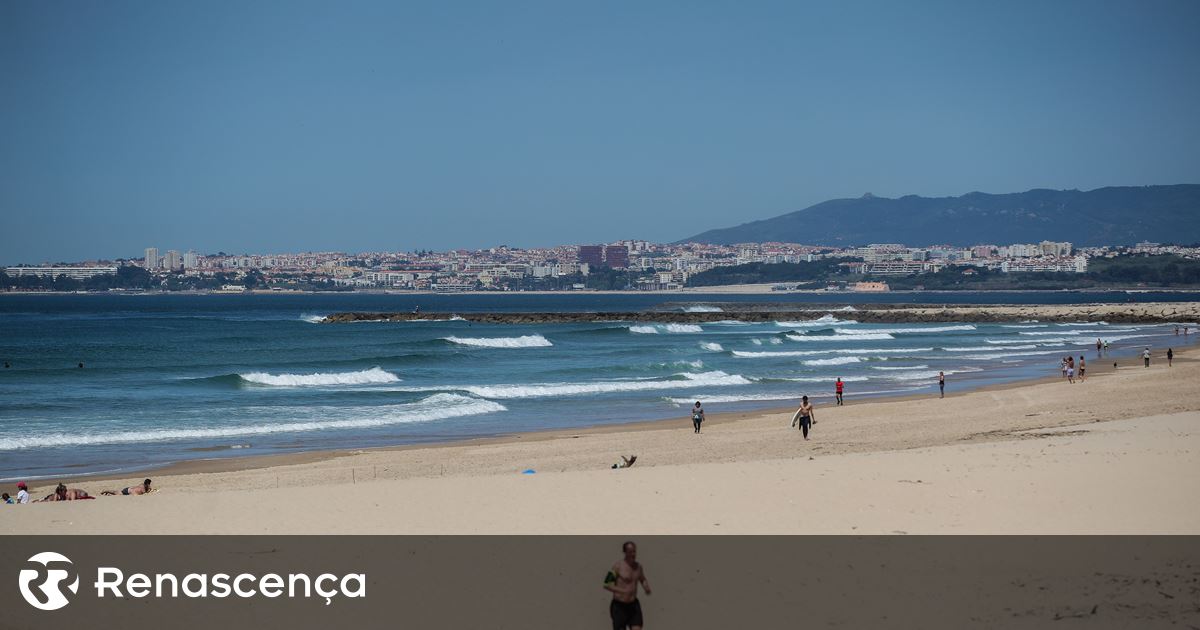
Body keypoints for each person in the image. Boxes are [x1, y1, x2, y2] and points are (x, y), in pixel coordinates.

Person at [604, 541, 651, 630]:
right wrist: (622, 591)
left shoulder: (638, 567)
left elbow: (642, 579)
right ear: (625, 552)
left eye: (634, 551)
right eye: (630, 552)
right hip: (619, 606)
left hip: (633, 605)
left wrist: (646, 586)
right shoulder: (617, 566)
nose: (633, 554)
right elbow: (606, 584)